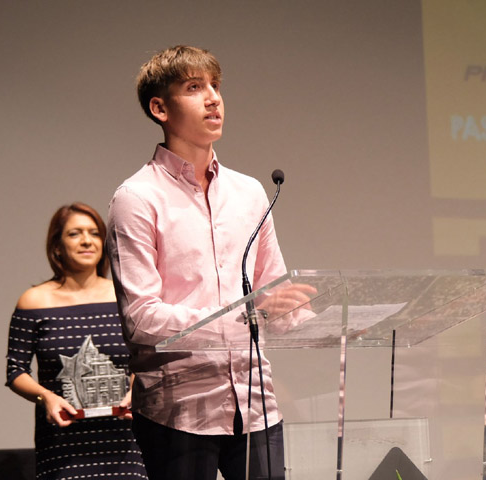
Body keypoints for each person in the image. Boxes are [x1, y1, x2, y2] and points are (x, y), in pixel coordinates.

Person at [106, 45, 315, 480]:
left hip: (255, 403)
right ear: (159, 108)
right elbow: (141, 319)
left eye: (216, 86)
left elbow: (272, 295)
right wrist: (244, 317)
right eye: (194, 87)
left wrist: (333, 319)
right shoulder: (137, 198)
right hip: (178, 408)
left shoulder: (249, 192)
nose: (213, 98)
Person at [6, 202, 148, 480]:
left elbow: (146, 358)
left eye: (94, 233)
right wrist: (46, 397)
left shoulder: (126, 296)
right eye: (74, 233)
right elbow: (15, 371)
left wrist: (137, 389)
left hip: (126, 443)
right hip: (63, 447)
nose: (86, 241)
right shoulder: (34, 301)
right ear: (57, 246)